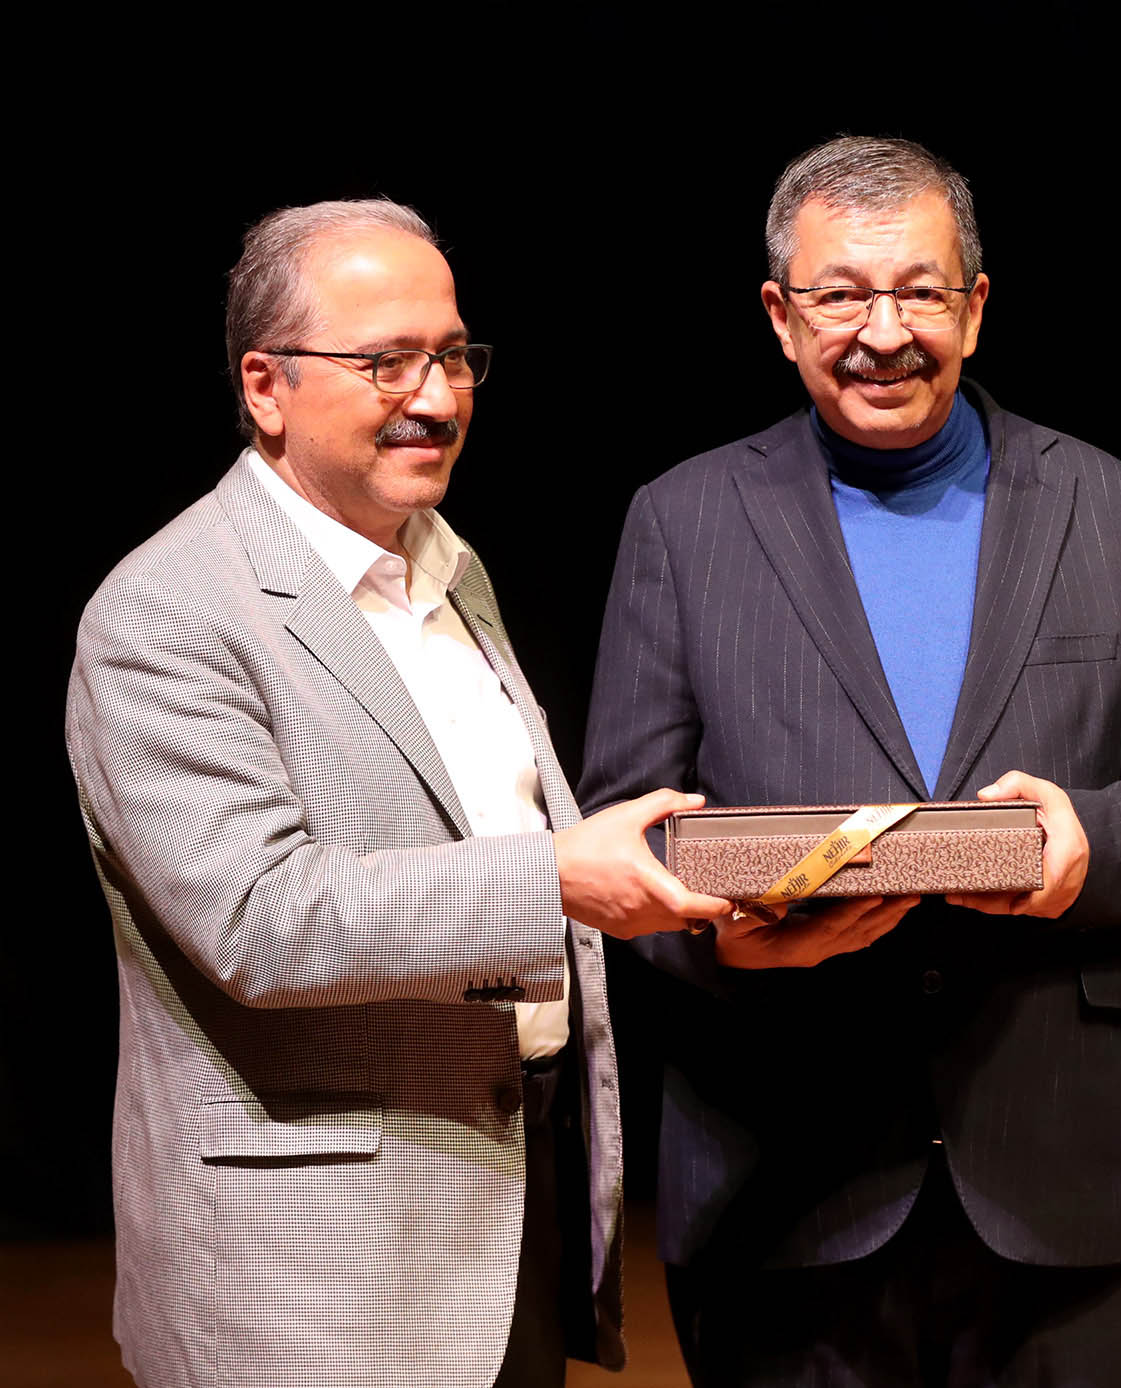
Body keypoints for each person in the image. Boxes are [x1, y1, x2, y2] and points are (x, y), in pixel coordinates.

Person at [579, 135, 1121, 1386]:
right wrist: (723, 937)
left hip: (1050, 1170)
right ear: (779, 316)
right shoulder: (682, 519)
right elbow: (625, 822)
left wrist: (1087, 845)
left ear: (974, 308)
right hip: (782, 1175)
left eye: (920, 292)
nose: (881, 333)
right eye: (839, 294)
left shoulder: (1113, 509)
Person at [65, 199, 737, 1388]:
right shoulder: (166, 610)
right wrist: (557, 878)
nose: (436, 396)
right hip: (310, 1273)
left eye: (453, 355)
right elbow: (260, 916)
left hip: (501, 1214)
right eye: (386, 361)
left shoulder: (446, 566)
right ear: (266, 386)